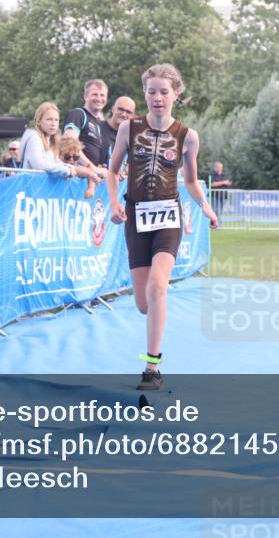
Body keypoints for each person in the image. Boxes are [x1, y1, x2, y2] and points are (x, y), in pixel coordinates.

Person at [107, 64, 218, 391]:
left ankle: (152, 366)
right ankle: (152, 335)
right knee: (144, 302)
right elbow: (112, 171)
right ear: (145, 94)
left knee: (158, 287)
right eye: (151, 91)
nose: (157, 98)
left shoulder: (188, 136)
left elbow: (191, 181)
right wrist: (114, 203)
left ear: (175, 95)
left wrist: (206, 207)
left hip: (169, 217)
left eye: (164, 92)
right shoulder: (129, 129)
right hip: (136, 217)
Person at [19, 102, 102, 184]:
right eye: (49, 119)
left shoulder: (52, 140)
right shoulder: (34, 138)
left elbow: (56, 164)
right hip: (32, 188)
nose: (53, 124)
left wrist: (71, 168)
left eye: (56, 120)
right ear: (39, 121)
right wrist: (67, 170)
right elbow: (38, 165)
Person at [63, 79, 109, 177]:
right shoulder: (78, 114)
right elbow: (70, 145)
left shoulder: (98, 123)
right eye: (95, 94)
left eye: (102, 95)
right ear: (85, 97)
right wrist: (94, 169)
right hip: (75, 178)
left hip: (91, 180)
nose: (99, 98)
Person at [99, 95, 137, 172]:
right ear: (113, 109)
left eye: (128, 112)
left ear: (133, 116)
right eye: (120, 109)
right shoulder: (97, 128)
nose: (123, 114)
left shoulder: (133, 139)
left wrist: (125, 172)